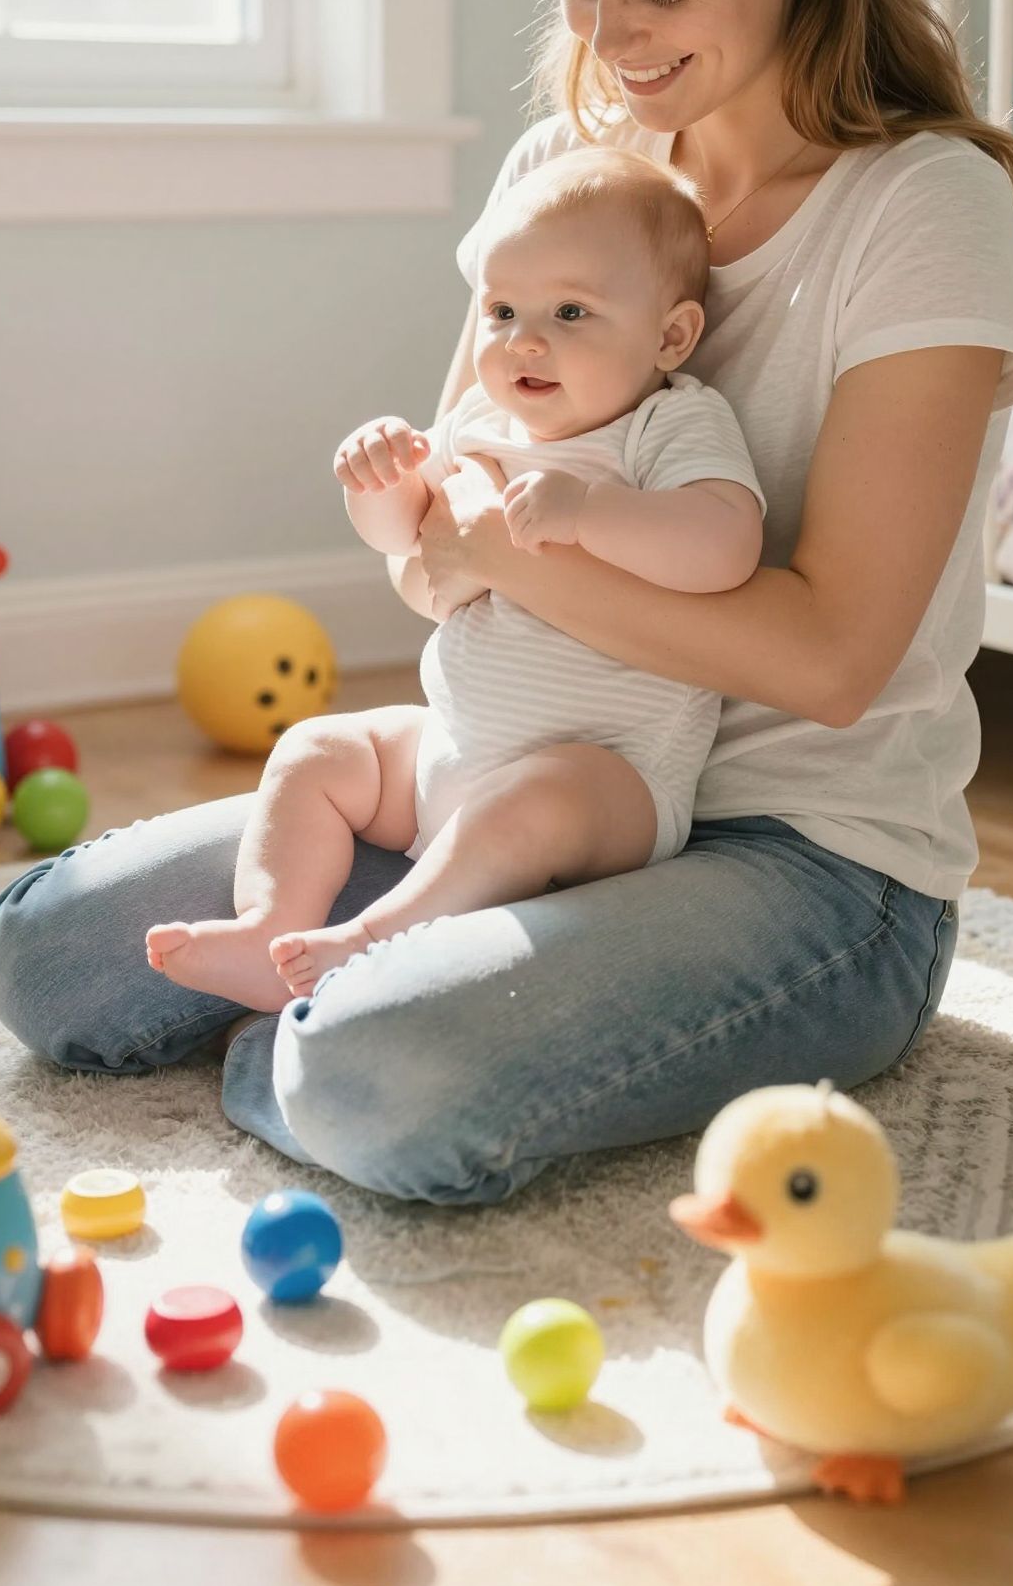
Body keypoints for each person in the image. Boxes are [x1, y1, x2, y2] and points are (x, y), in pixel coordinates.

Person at [0, 0, 1013, 1210]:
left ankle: (334, 1032)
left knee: (375, 1071)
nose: (613, 37)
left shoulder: (925, 204)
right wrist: (428, 535)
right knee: (49, 959)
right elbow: (438, 554)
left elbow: (831, 660)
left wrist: (498, 555)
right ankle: (353, 997)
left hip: (809, 864)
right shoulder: (570, 178)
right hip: (514, 774)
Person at [142, 148, 764, 1008]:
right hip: (450, 751)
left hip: (608, 784)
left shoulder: (668, 424)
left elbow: (726, 544)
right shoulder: (482, 420)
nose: (524, 341)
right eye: (502, 310)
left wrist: (588, 513)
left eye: (571, 311)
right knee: (318, 749)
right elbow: (412, 545)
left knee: (537, 799)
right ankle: (269, 925)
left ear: (671, 335)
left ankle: (370, 940)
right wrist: (384, 484)